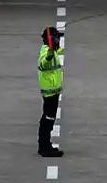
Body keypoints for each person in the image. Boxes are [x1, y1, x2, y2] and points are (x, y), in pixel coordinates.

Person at [37, 26, 64, 157]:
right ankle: (45, 147)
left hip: (52, 92)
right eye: (57, 38)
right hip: (50, 93)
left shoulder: (53, 51)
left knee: (47, 118)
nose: (59, 40)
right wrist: (49, 56)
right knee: (48, 119)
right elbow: (43, 63)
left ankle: (44, 144)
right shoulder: (47, 52)